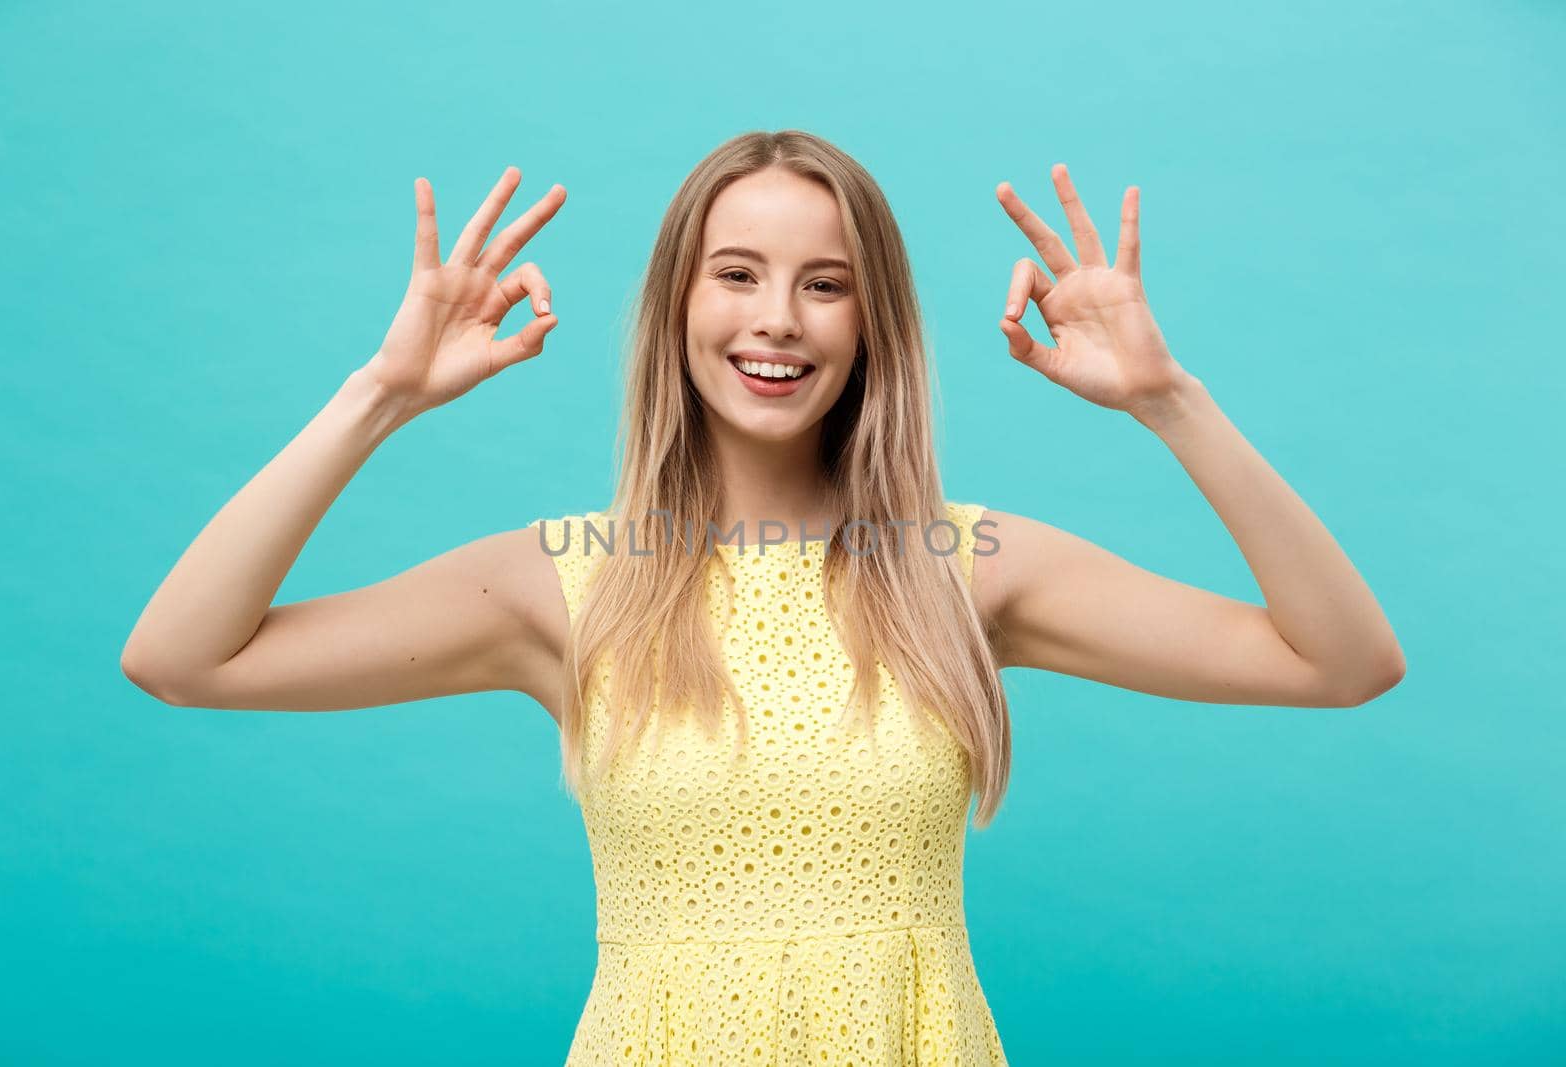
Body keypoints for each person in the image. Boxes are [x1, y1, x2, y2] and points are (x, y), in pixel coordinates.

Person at [120, 129, 1406, 1064]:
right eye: (736, 272)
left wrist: (1168, 401)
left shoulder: (965, 567)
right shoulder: (567, 579)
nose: (776, 320)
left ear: (872, 322)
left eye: (824, 281)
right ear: (678, 299)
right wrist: (379, 397)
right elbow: (183, 656)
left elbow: (1342, 660)